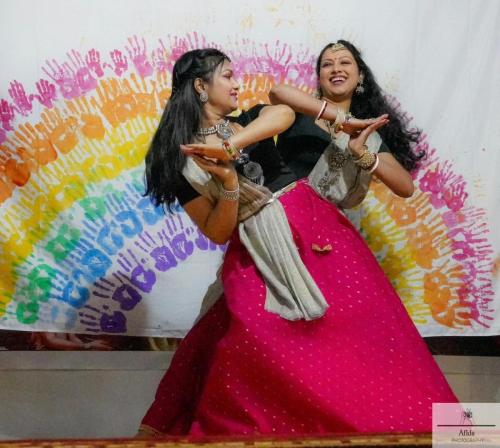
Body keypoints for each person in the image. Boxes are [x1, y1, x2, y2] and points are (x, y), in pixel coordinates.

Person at [138, 46, 458, 438]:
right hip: (257, 244)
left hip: (315, 227)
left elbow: (282, 113)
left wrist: (230, 147)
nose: (237, 83)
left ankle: (452, 432)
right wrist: (230, 184)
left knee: (366, 332)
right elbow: (218, 231)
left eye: (345, 63)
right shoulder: (179, 163)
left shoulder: (252, 119)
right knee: (252, 333)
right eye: (228, 76)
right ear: (201, 87)